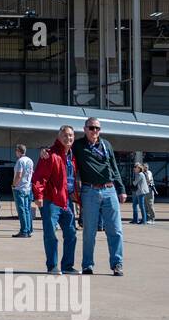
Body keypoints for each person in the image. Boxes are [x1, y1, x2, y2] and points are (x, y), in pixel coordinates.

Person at [72, 117, 127, 277]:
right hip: (90, 191)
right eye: (91, 128)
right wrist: (45, 151)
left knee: (116, 230)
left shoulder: (106, 144)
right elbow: (63, 150)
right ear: (85, 129)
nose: (94, 131)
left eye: (97, 128)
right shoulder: (78, 146)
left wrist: (121, 188)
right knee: (89, 231)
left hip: (109, 190)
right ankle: (88, 265)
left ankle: (117, 264)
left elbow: (114, 167)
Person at [32, 129, 78, 274]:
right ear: (59, 137)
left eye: (70, 135)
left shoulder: (73, 155)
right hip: (51, 200)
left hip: (67, 200)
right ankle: (52, 266)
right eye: (65, 135)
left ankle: (67, 266)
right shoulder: (51, 154)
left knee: (71, 233)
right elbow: (40, 176)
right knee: (50, 233)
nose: (68, 138)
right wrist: (38, 195)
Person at [11, 144, 35, 238]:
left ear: (19, 151)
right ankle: (29, 230)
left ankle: (24, 231)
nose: (15, 153)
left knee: (21, 211)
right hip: (28, 188)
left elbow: (19, 175)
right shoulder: (30, 160)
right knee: (27, 209)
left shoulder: (20, 161)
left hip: (20, 188)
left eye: (16, 151)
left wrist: (14, 185)